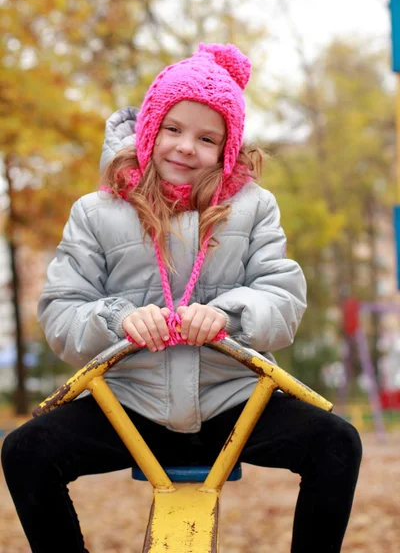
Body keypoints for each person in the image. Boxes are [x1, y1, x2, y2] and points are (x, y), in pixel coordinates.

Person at [1, 43, 362, 553]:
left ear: (227, 147)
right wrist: (118, 319)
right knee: (25, 452)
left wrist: (227, 314)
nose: (186, 147)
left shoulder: (254, 208)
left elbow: (282, 298)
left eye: (206, 137)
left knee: (337, 442)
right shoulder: (96, 212)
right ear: (151, 128)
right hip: (130, 404)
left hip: (232, 400)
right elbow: (61, 310)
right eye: (173, 129)